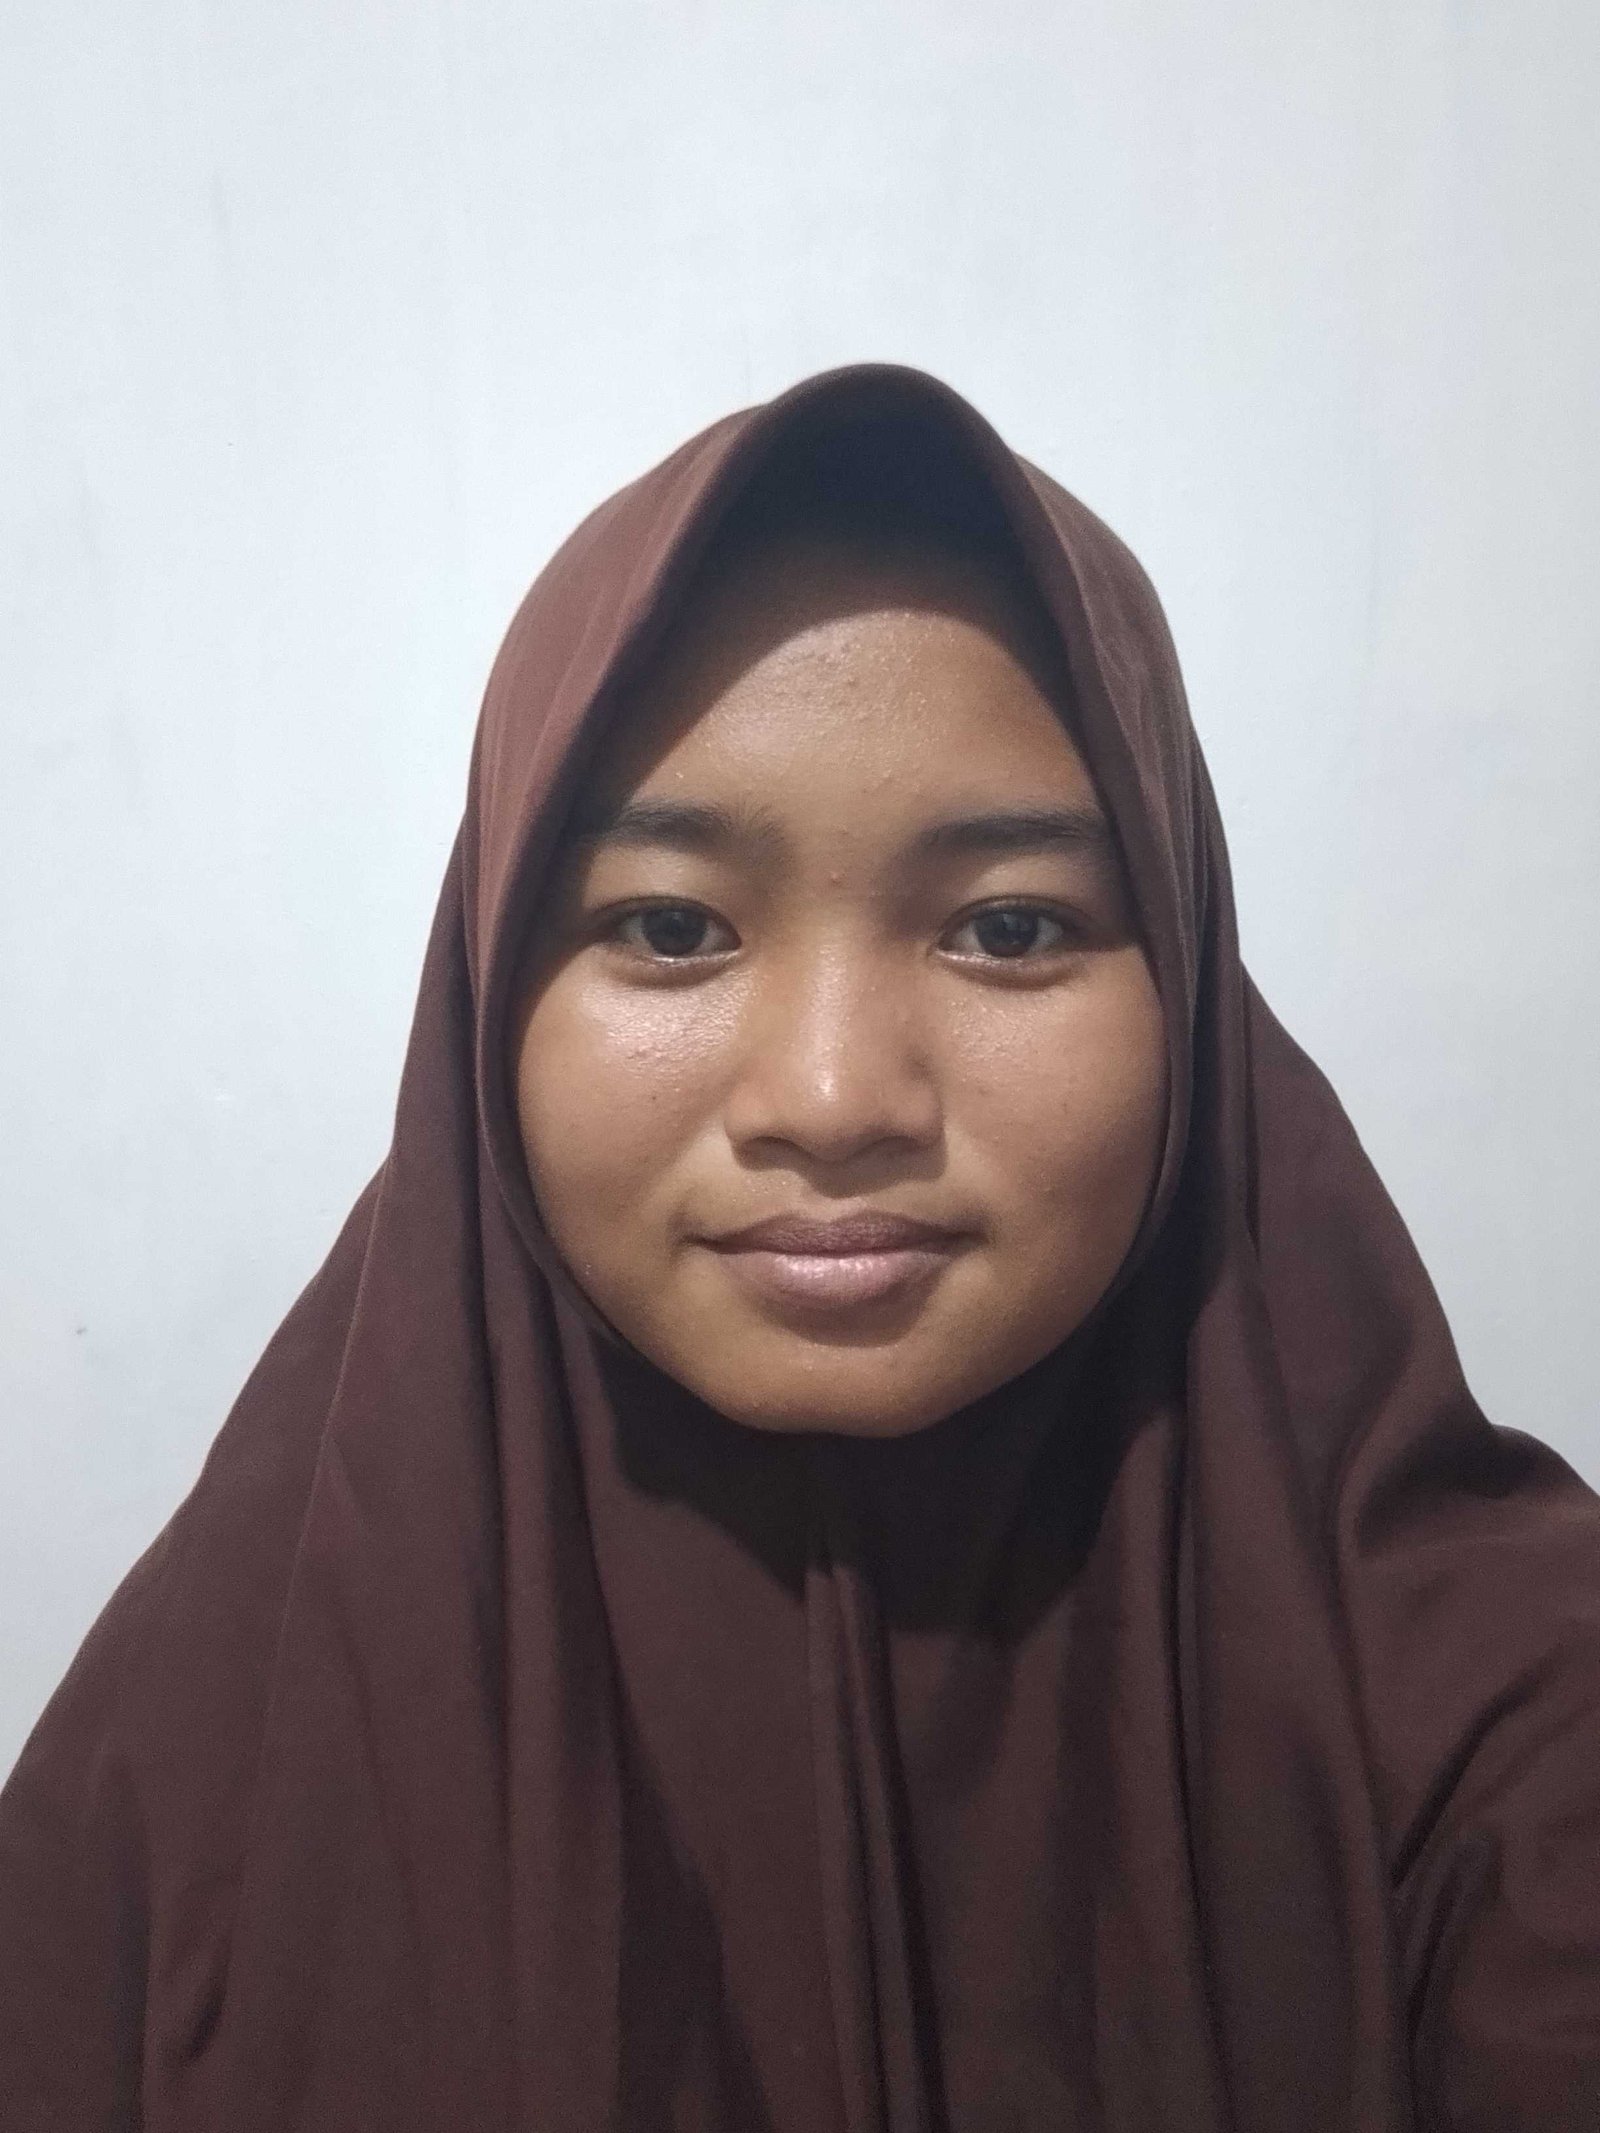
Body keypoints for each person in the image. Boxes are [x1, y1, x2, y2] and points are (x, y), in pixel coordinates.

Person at [2, 362, 1597, 2131]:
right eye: (671, 928)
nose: (834, 1099)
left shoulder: (1502, 1703)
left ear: (1187, 969)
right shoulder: (192, 1772)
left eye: (1010, 928)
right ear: (489, 989)